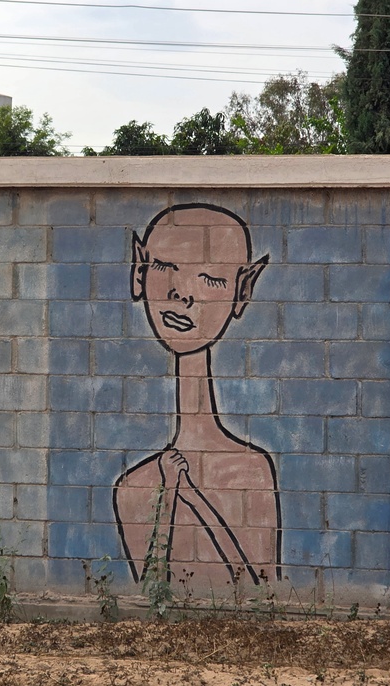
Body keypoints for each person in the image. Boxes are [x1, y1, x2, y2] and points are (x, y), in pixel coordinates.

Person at [114, 203, 281, 590]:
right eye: (163, 268)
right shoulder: (133, 488)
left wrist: (188, 494)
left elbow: (261, 589)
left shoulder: (252, 472)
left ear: (243, 290)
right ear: (139, 272)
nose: (180, 292)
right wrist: (170, 493)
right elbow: (149, 588)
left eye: (209, 278)